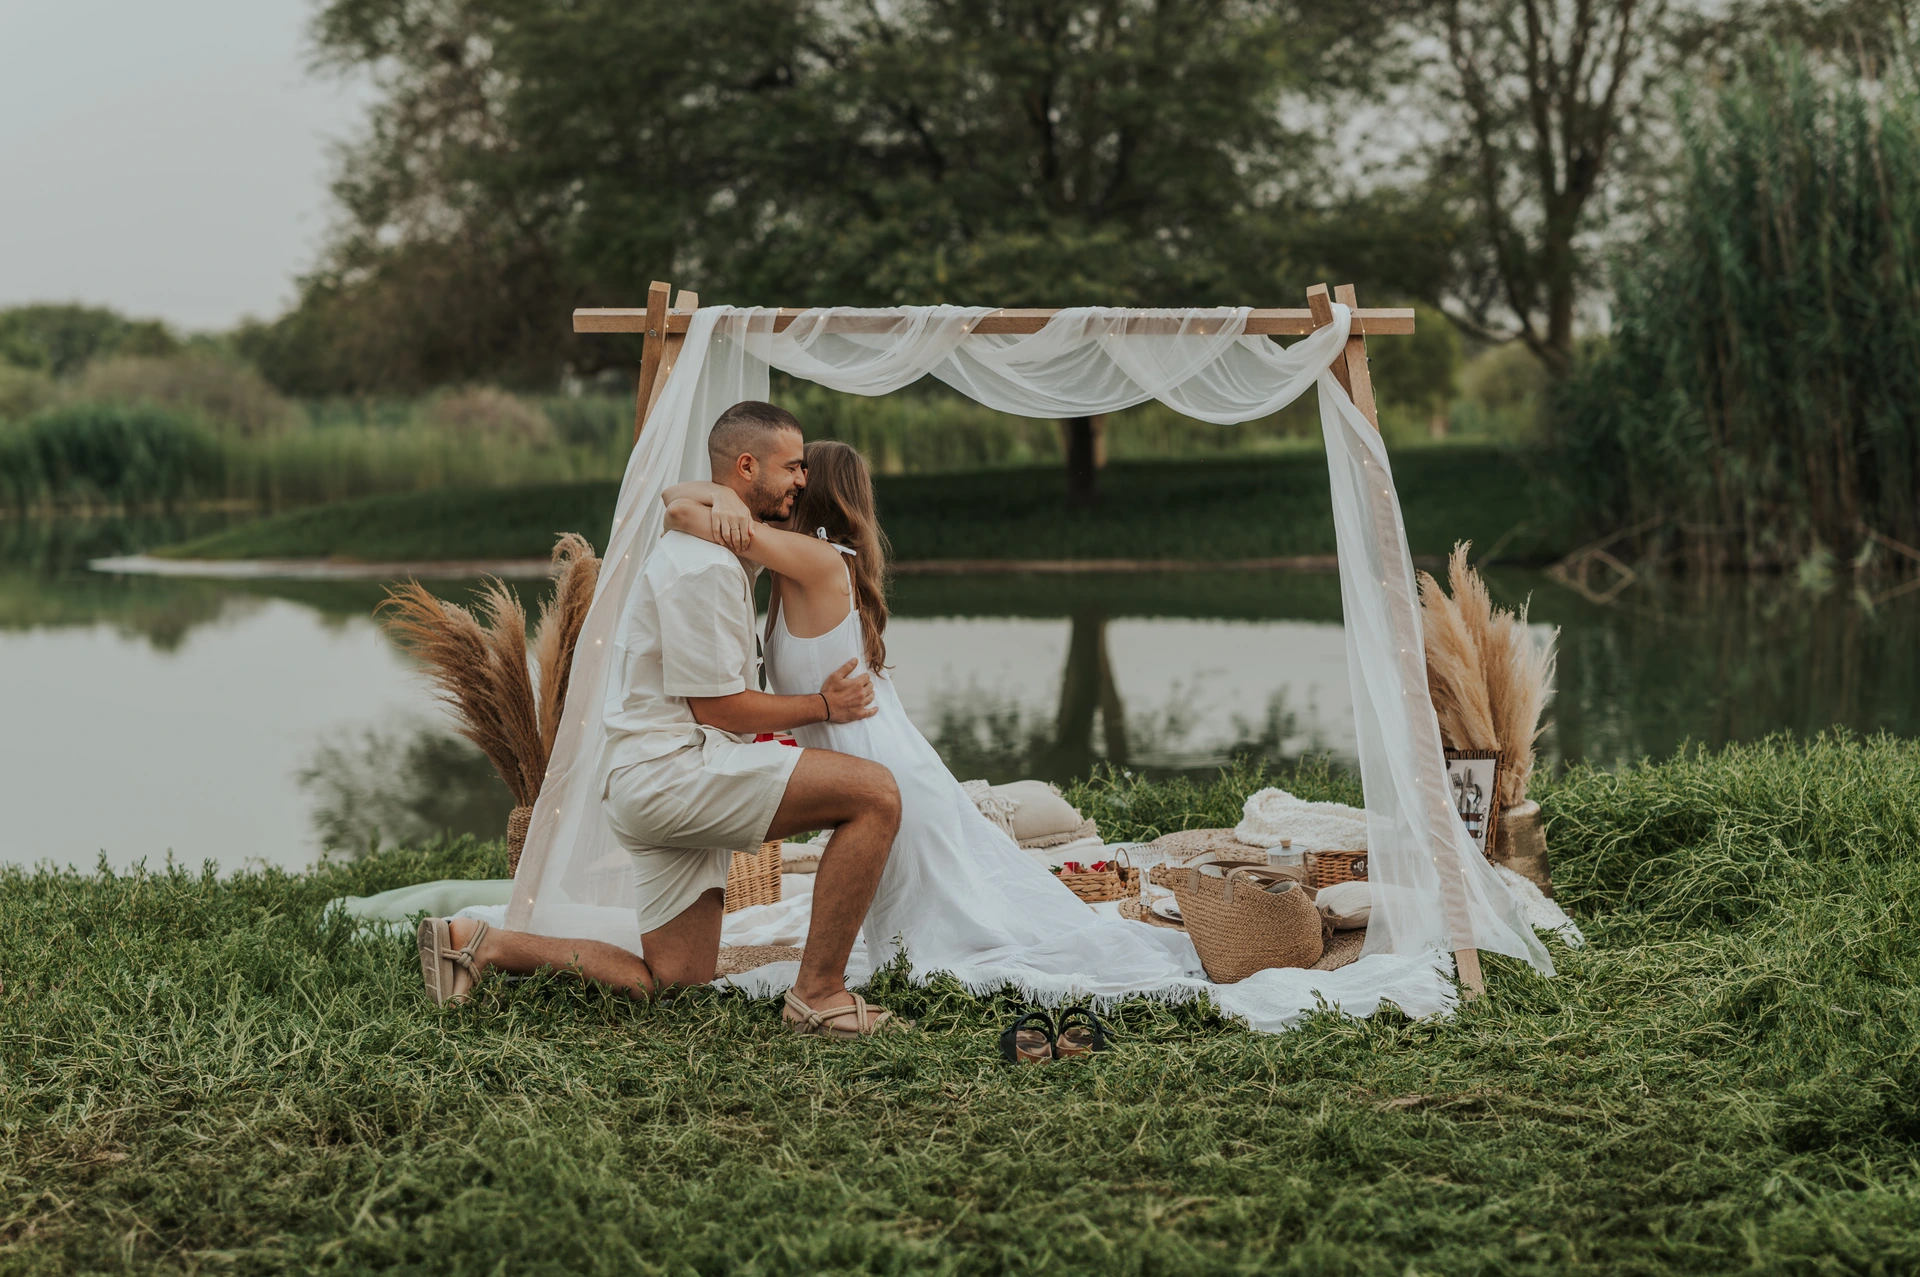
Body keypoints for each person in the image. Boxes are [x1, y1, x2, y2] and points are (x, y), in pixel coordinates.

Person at [418, 402, 911, 1037]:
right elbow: (719, 708)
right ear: (747, 466)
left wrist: (711, 495)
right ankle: (819, 994)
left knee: (673, 980)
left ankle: (476, 943)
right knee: (874, 795)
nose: (802, 480)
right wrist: (824, 706)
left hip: (654, 778)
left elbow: (679, 503)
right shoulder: (704, 568)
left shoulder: (718, 549)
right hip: (673, 774)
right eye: (792, 467)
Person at [658, 435, 1208, 1005]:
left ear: (816, 491)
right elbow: (675, 500)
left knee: (949, 951)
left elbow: (679, 510)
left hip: (885, 776)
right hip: (871, 770)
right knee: (917, 942)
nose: (792, 482)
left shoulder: (817, 561)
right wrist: (729, 499)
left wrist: (723, 501)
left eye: (801, 473)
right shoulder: (791, 566)